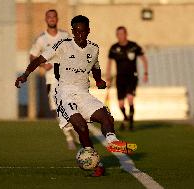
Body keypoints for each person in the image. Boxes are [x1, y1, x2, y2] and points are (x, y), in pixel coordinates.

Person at [15, 15, 137, 177]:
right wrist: (25, 75)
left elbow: (95, 66)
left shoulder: (93, 48)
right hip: (65, 93)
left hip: (83, 93)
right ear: (72, 31)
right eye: (77, 31)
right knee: (81, 127)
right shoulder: (63, 45)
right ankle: (97, 164)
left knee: (106, 116)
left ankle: (113, 143)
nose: (80, 34)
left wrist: (99, 80)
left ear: (88, 31)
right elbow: (38, 60)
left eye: (83, 31)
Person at [29, 9, 77, 150]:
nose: (51, 19)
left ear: (57, 19)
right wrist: (43, 64)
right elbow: (32, 55)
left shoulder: (65, 35)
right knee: (58, 109)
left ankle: (75, 129)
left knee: (71, 105)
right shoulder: (41, 39)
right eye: (49, 17)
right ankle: (69, 136)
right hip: (52, 79)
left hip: (67, 77)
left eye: (53, 16)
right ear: (46, 19)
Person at [106, 26, 148, 131]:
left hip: (132, 77)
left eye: (122, 33)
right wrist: (108, 77)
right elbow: (109, 63)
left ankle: (131, 123)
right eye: (118, 34)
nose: (121, 36)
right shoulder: (114, 48)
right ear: (117, 36)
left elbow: (143, 59)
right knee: (120, 103)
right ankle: (125, 118)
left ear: (126, 34)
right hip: (120, 78)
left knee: (130, 98)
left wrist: (146, 73)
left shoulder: (133, 46)